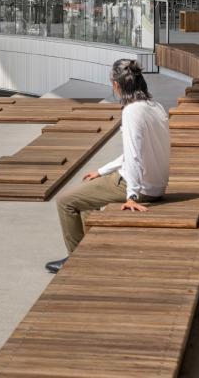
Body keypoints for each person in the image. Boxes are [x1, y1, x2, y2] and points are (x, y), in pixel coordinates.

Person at [47, 58, 170, 273]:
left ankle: (76, 263)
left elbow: (133, 155)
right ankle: (91, 252)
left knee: (65, 201)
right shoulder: (156, 107)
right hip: (156, 184)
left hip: (138, 186)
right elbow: (136, 152)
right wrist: (102, 171)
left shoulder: (131, 112)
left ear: (116, 84)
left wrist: (132, 196)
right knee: (86, 198)